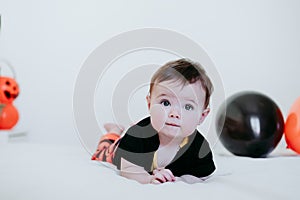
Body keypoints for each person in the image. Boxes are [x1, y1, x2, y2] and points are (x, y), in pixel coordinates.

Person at [91, 58, 216, 184]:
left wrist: (180, 180)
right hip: (118, 150)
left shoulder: (199, 147)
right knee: (102, 151)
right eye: (165, 103)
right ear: (150, 104)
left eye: (188, 107)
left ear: (202, 116)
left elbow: (201, 174)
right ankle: (113, 132)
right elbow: (129, 169)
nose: (174, 114)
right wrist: (148, 179)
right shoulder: (138, 135)